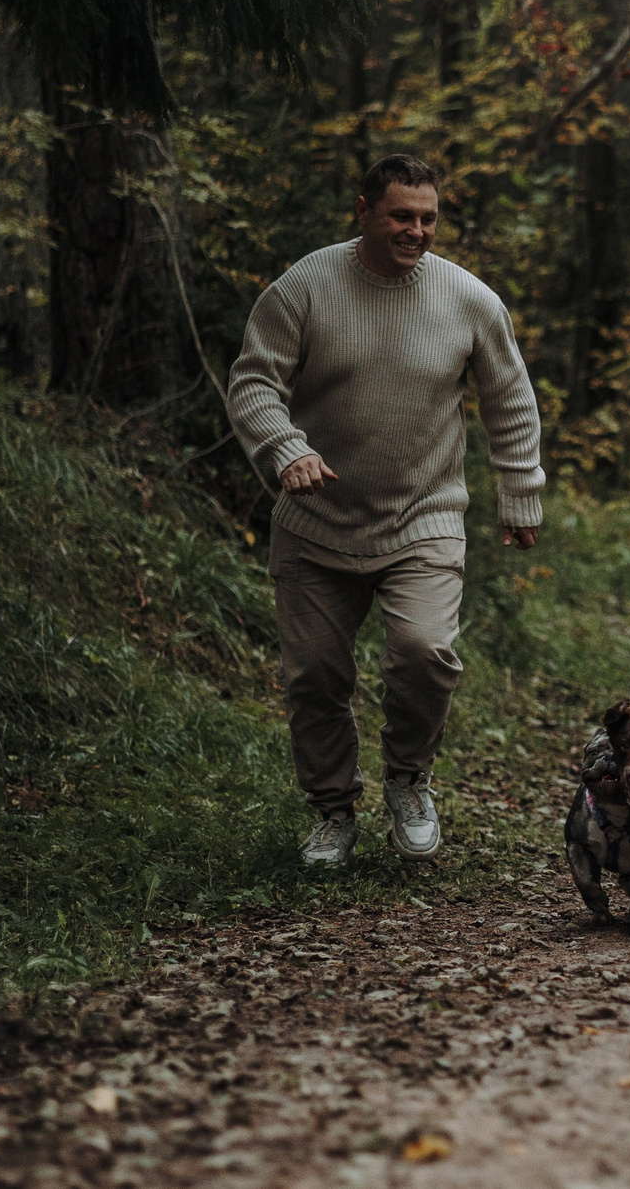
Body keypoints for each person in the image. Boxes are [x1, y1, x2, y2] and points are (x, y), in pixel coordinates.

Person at [227, 153, 546, 866]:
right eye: (402, 215)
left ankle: (408, 778)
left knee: (424, 651)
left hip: (424, 515)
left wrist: (520, 494)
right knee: (314, 676)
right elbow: (253, 385)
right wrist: (285, 449)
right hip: (316, 522)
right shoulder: (304, 287)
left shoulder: (468, 300)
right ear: (365, 210)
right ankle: (333, 811)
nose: (417, 231)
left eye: (429, 218)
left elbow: (510, 401)